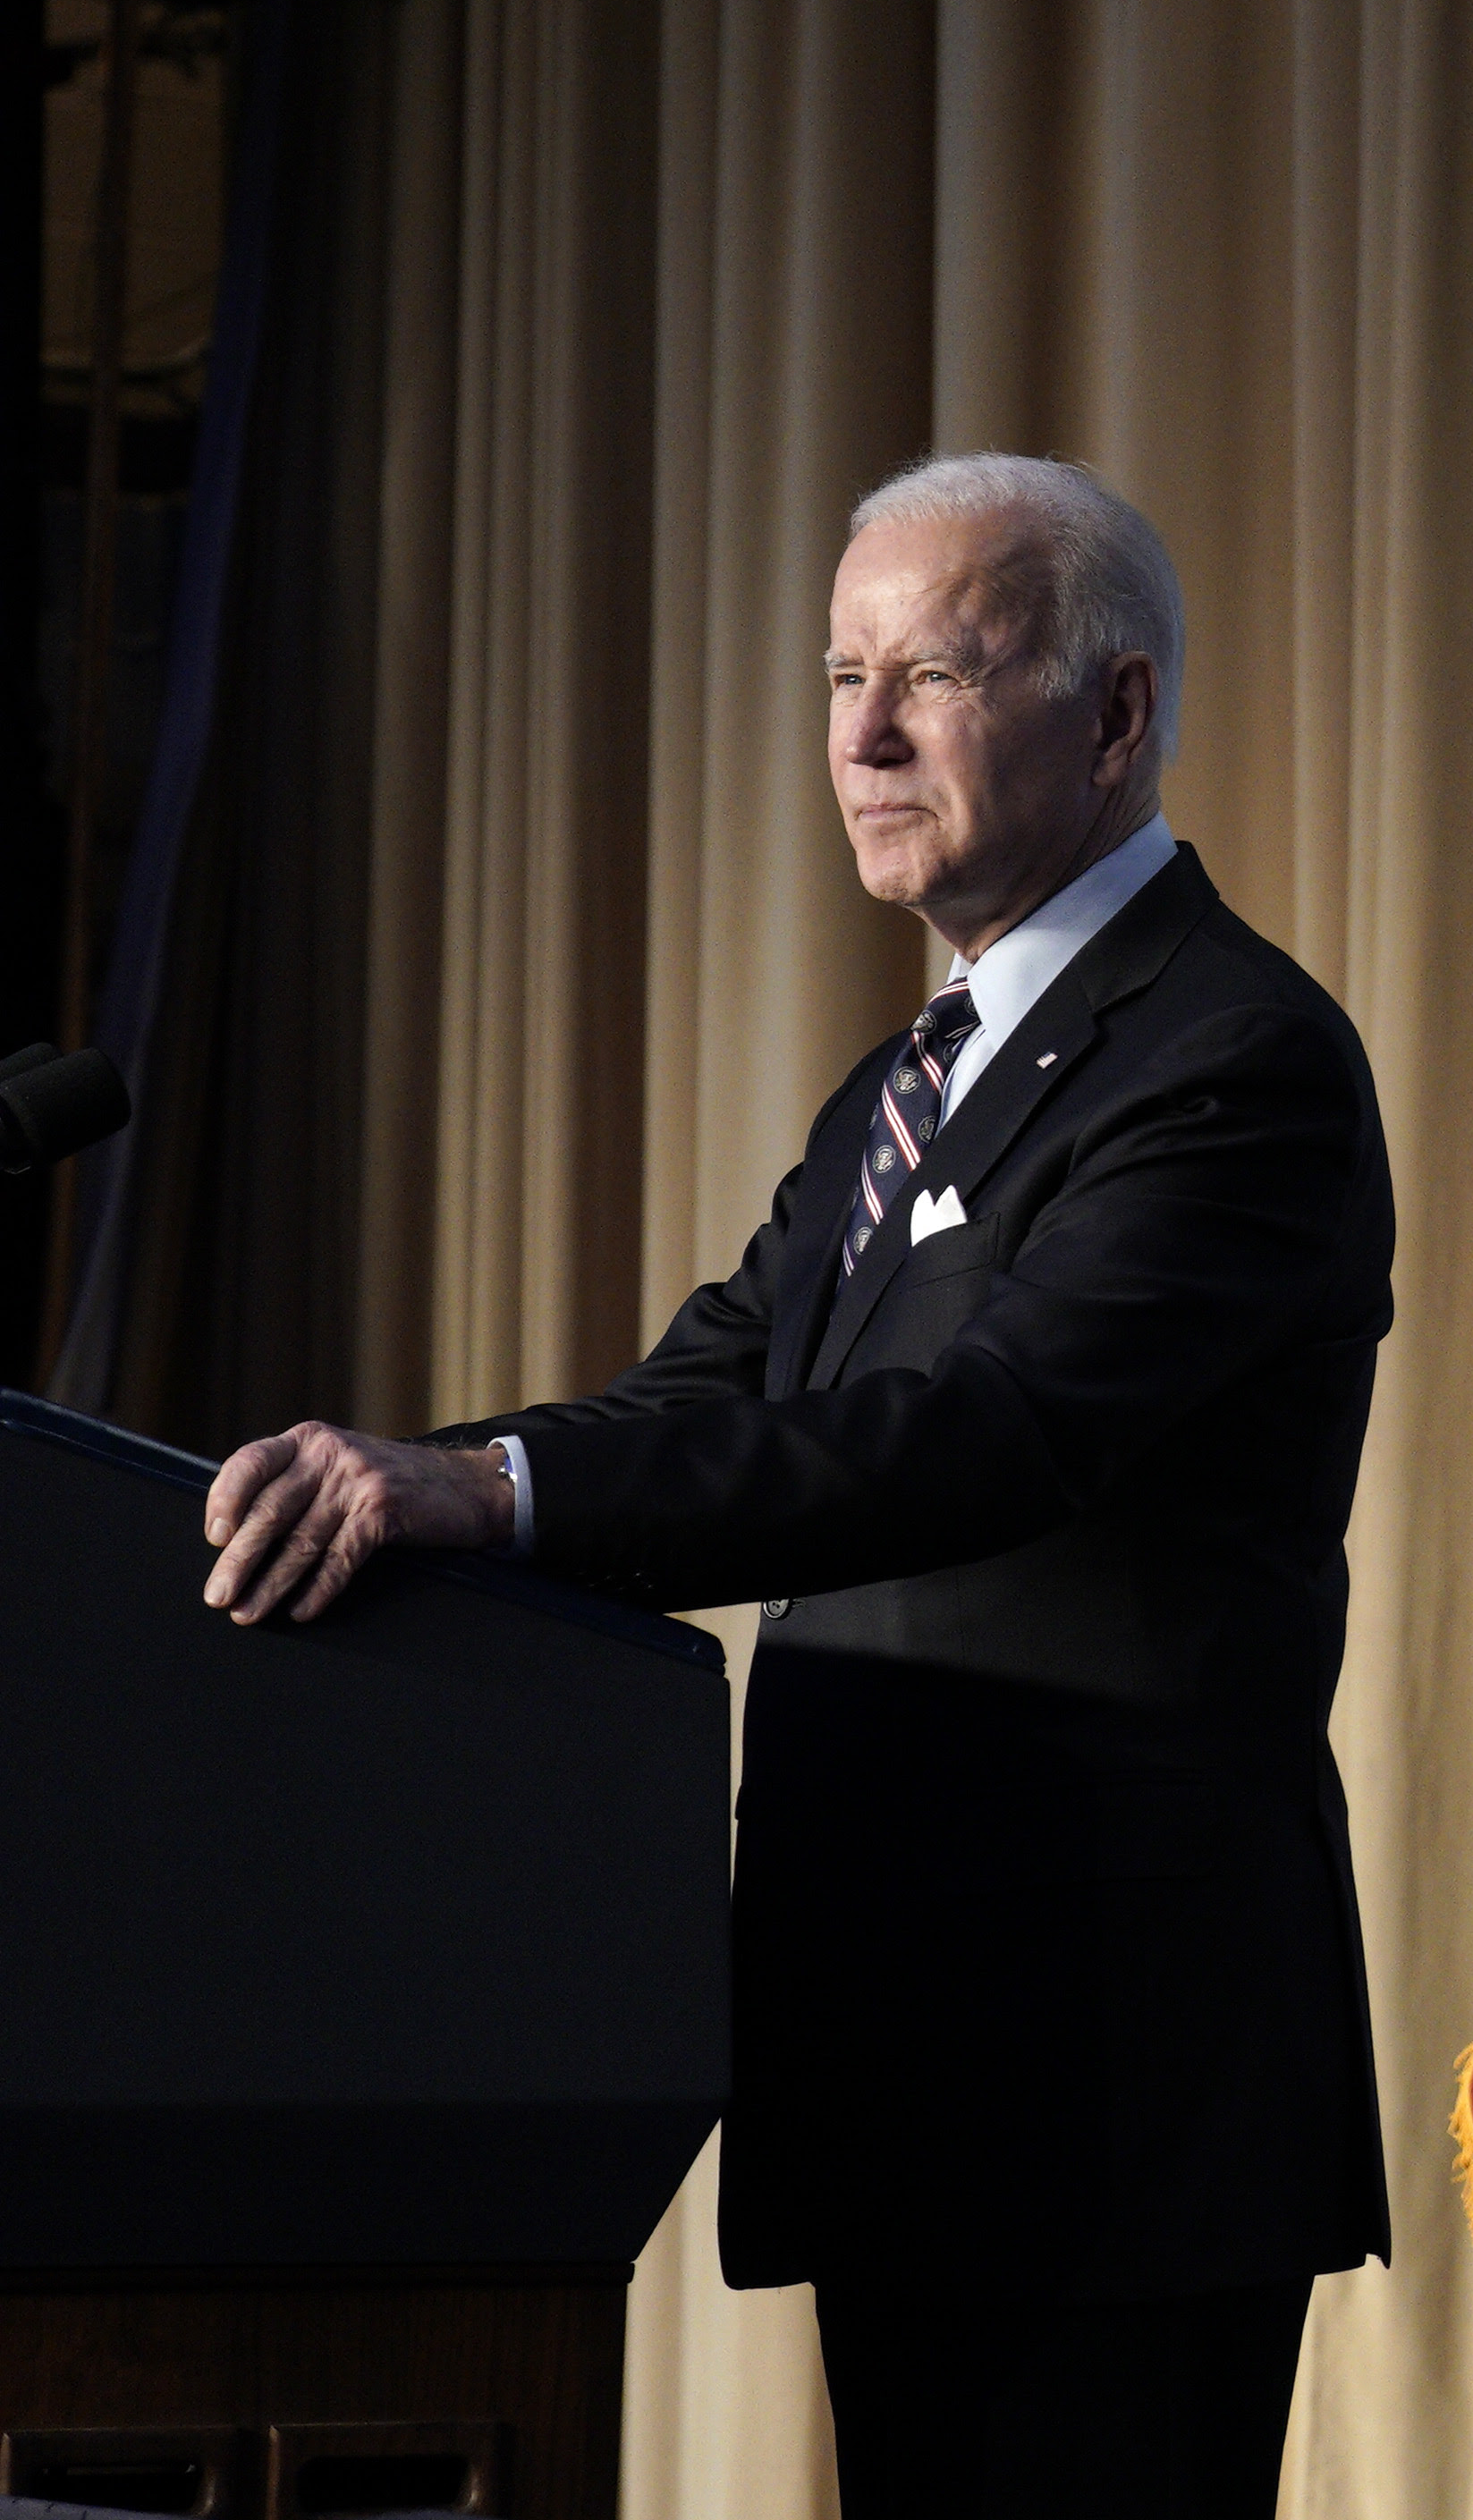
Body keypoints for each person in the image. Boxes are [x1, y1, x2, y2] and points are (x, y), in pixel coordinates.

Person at [198, 453, 1392, 2520]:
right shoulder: (906, 1085)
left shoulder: (1230, 1055)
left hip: (1109, 2082)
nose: (862, 736)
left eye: (935, 672)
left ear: (1114, 713)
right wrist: (405, 1483)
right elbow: (703, 1393)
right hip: (900, 2046)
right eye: (844, 675)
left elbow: (985, 1434)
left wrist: (480, 1493)